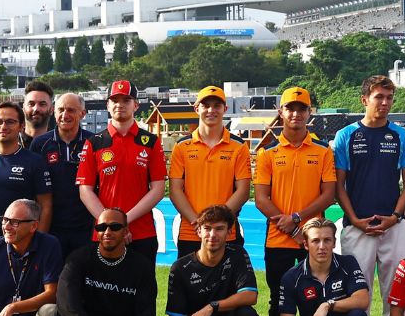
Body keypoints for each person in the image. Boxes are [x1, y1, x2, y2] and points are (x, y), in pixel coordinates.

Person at [333, 75, 405, 316]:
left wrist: (394, 217)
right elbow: (339, 185)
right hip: (357, 228)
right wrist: (355, 219)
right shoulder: (346, 136)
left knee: (395, 297)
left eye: (389, 98)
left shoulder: (401, 136)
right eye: (379, 97)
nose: (384, 103)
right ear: (364, 99)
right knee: (357, 298)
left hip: (393, 227)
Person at [253, 86, 336, 316]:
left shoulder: (323, 151)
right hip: (278, 240)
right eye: (290, 108)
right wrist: (286, 224)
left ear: (309, 113)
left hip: (313, 241)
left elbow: (329, 194)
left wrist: (300, 221)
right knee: (279, 302)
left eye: (302, 109)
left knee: (315, 302)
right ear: (281, 112)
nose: (296, 114)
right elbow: (261, 197)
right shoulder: (268, 153)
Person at [50, 207, 160, 316]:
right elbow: (65, 296)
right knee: (61, 315)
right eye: (101, 227)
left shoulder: (141, 266)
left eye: (114, 227)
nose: (107, 232)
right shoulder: (79, 258)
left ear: (126, 232)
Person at [159, 205, 260, 316]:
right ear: (198, 231)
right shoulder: (180, 268)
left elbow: (250, 295)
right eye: (207, 228)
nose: (212, 235)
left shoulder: (237, 254)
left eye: (219, 229)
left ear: (229, 232)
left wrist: (212, 306)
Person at [76, 79, 166, 261]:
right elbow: (85, 190)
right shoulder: (94, 143)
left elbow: (158, 189)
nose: (120, 105)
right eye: (115, 100)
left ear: (136, 105)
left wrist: (124, 222)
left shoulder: (151, 142)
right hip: (104, 235)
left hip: (142, 233)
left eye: (126, 100)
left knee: (143, 289)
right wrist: (111, 225)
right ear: (108, 105)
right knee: (102, 288)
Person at [169, 86, 251, 258]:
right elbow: (175, 190)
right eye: (206, 105)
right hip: (190, 231)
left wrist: (218, 222)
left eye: (216, 105)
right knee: (189, 284)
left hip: (226, 232)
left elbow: (243, 191)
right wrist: (198, 223)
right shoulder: (182, 147)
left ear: (225, 109)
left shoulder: (239, 146)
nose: (211, 110)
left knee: (228, 284)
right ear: (196, 108)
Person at [31, 93, 95, 257]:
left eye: (71, 110)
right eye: (60, 110)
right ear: (53, 111)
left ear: (83, 113)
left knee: (82, 279)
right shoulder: (40, 144)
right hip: (52, 227)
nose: (65, 115)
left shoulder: (94, 142)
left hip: (85, 228)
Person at [0, 101, 52, 239]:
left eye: (10, 122)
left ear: (21, 126)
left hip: (19, 237)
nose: (3, 126)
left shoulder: (34, 161)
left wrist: (39, 241)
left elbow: (46, 205)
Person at [21, 79, 55, 149]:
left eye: (42, 104)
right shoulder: (10, 144)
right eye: (31, 104)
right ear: (23, 108)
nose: (36, 109)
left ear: (52, 109)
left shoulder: (59, 145)